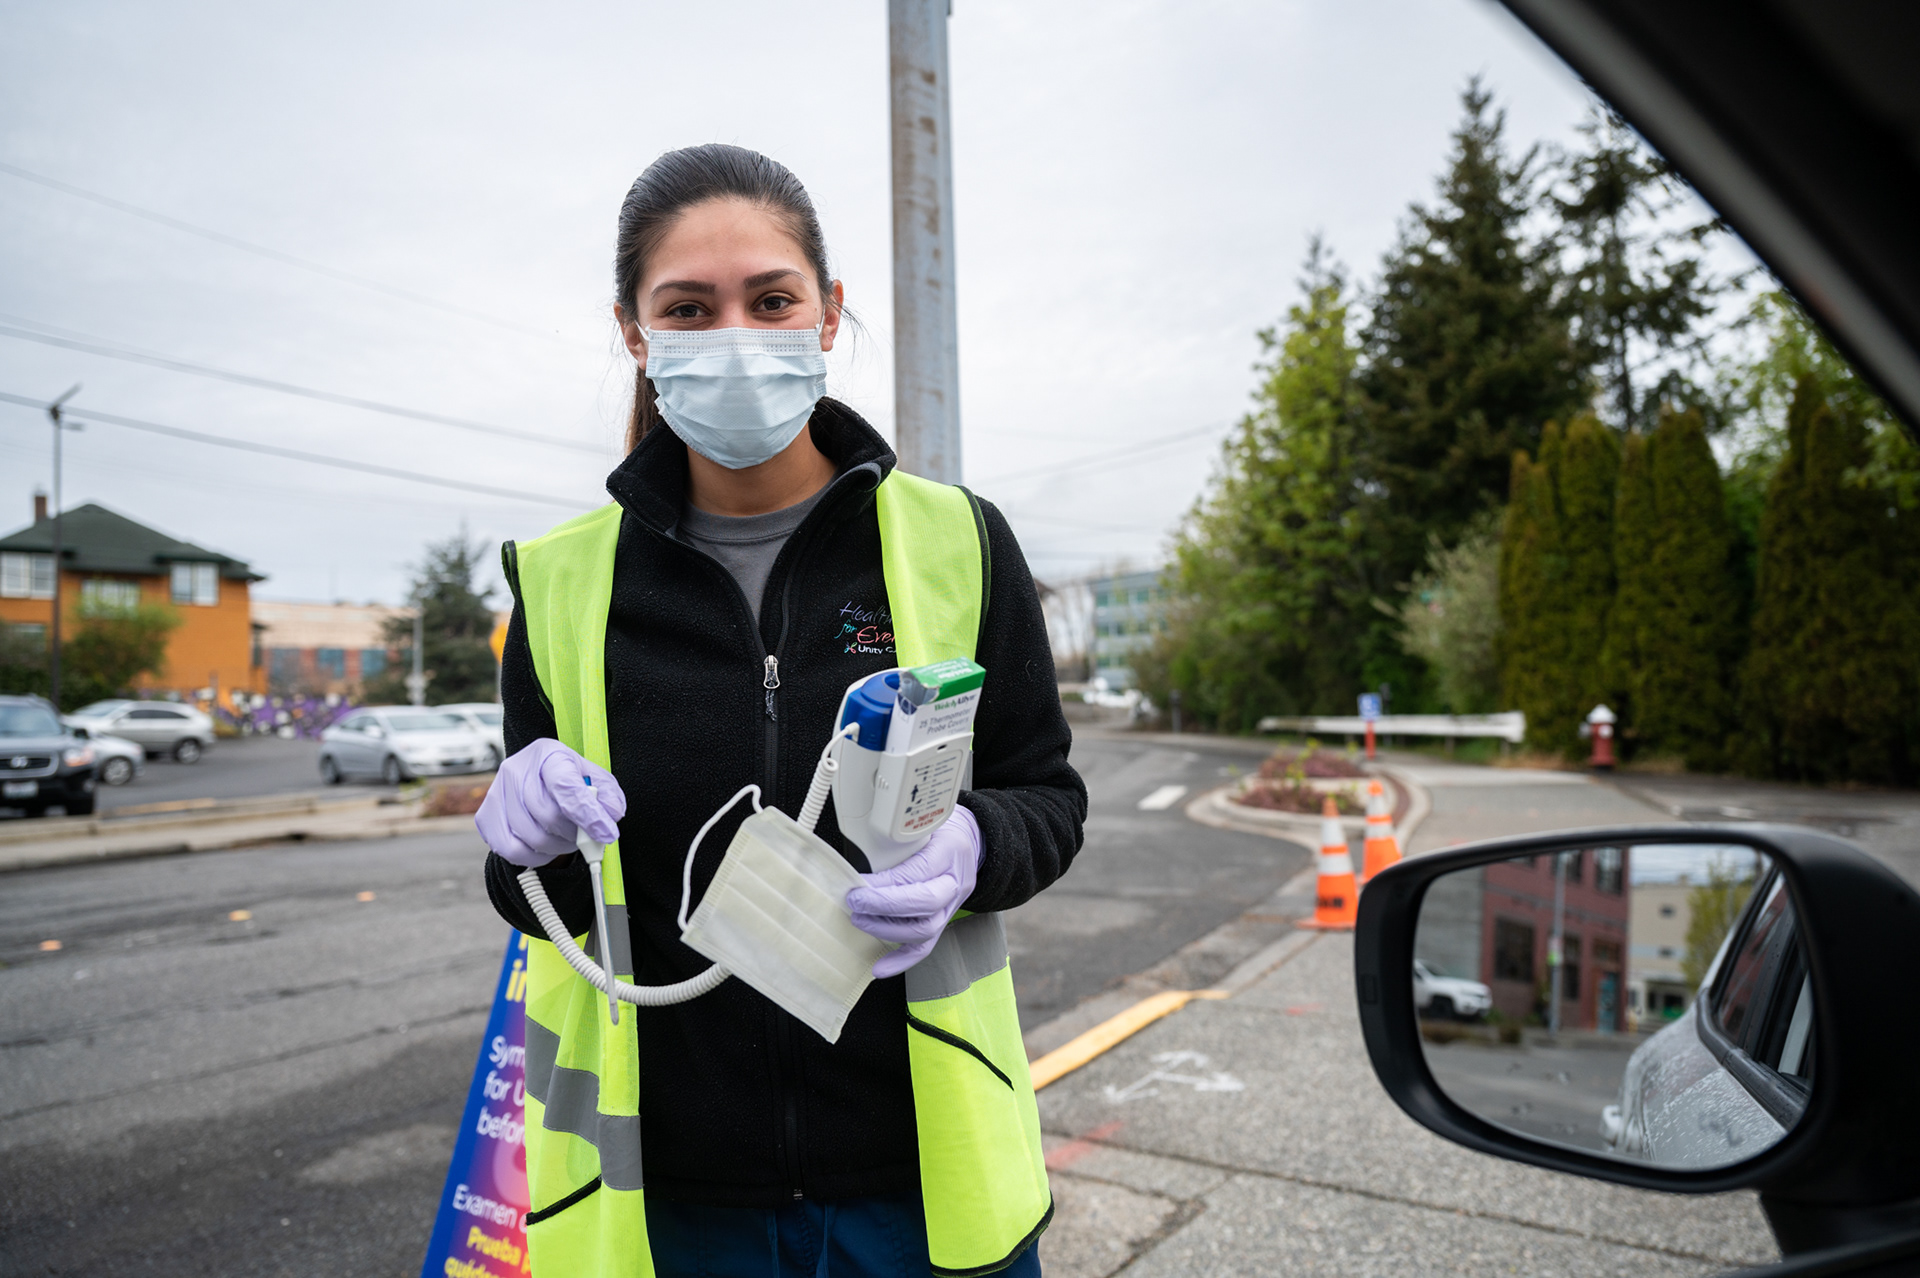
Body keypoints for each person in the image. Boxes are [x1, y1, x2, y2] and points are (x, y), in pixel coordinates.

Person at [475, 143, 1086, 1277]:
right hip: (666, 1208)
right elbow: (540, 895)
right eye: (689, 309)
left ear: (828, 312)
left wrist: (972, 846)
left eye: (770, 299)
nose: (736, 337)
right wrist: (521, 840)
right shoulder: (561, 581)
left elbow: (1045, 797)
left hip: (924, 1192)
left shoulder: (957, 541)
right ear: (634, 333)